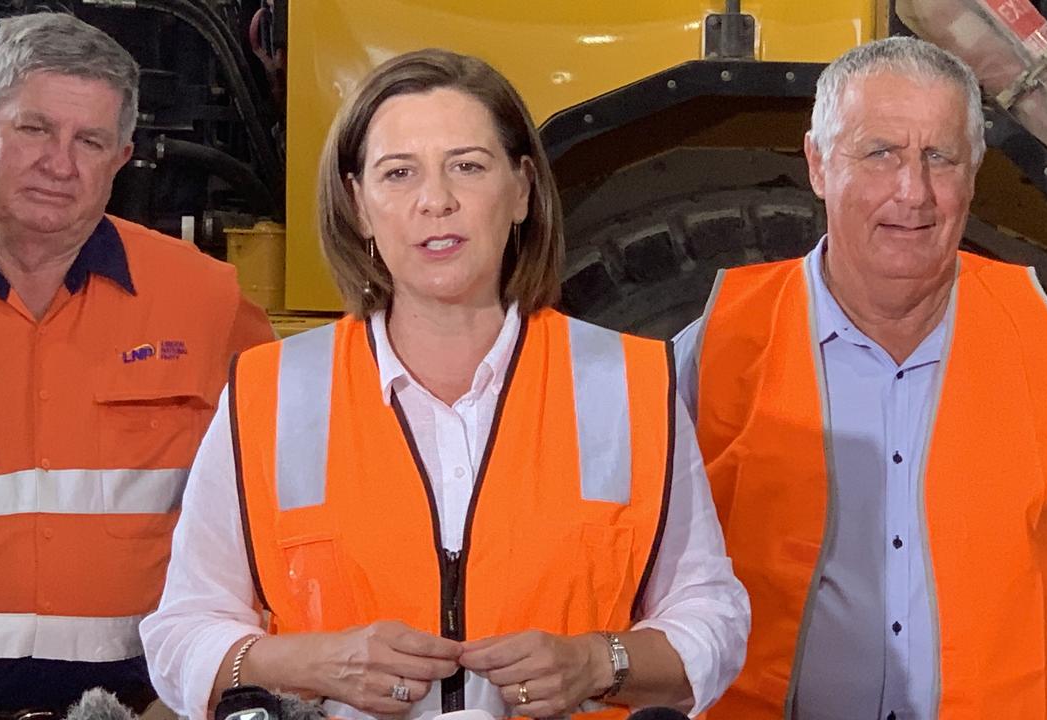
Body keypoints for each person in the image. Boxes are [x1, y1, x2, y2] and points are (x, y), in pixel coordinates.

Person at [140, 48, 749, 720]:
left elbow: (712, 616)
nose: (436, 200)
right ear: (359, 205)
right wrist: (315, 663)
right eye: (398, 173)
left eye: (468, 166)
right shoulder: (273, 393)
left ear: (520, 191)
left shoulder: (627, 383)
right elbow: (181, 635)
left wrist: (597, 662)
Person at [0, 12, 274, 720]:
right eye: (34, 129)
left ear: (121, 161)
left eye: (89, 140)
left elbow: (277, 534)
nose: (60, 164)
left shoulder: (209, 306)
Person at [675, 36, 1047, 718]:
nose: (915, 193)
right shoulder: (716, 346)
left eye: (940, 158)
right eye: (881, 154)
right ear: (817, 164)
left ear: (975, 172)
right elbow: (644, 573)